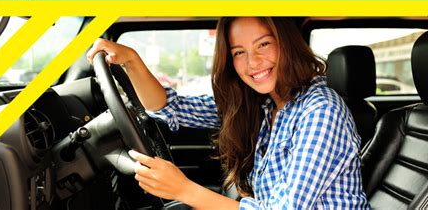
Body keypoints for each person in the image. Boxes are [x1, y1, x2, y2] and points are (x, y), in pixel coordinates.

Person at [86, 17, 370, 209]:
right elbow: (170, 107)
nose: (253, 62)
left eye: (263, 44)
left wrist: (184, 190)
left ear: (287, 43)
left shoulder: (322, 111)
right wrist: (132, 61)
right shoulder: (264, 105)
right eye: (238, 52)